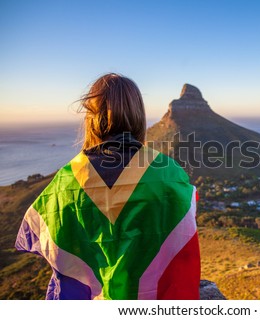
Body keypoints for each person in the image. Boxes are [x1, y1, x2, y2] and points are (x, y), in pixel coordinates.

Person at [15, 73, 201, 300]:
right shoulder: (169, 173)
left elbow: (39, 234)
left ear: (91, 117)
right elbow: (182, 235)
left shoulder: (66, 180)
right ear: (137, 115)